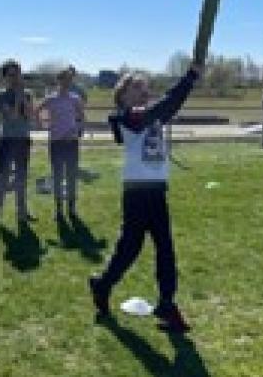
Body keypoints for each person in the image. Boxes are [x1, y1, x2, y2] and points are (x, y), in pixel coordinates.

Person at [88, 64, 202, 333]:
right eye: (136, 87)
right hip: (138, 193)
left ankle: (166, 302)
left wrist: (188, 84)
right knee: (130, 247)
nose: (143, 91)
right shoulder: (126, 117)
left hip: (157, 190)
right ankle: (103, 284)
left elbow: (168, 107)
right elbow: (163, 107)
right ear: (122, 95)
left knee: (165, 247)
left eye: (145, 87)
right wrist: (189, 78)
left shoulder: (151, 116)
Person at [36, 68, 85, 220]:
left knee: (71, 176)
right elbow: (36, 110)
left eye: (69, 79)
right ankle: (58, 211)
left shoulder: (75, 98)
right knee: (57, 176)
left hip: (71, 142)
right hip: (56, 142)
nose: (66, 82)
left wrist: (77, 131)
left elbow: (82, 118)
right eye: (63, 79)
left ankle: (71, 209)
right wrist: (41, 124)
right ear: (58, 80)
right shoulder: (51, 99)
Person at [0, 60, 37, 225]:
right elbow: (11, 116)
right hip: (7, 140)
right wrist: (18, 97)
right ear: (4, 77)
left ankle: (22, 213)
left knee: (21, 178)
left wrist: (23, 98)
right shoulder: (1, 95)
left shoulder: (28, 93)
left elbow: (30, 115)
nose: (15, 78)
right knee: (2, 178)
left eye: (17, 74)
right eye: (11, 75)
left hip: (23, 140)